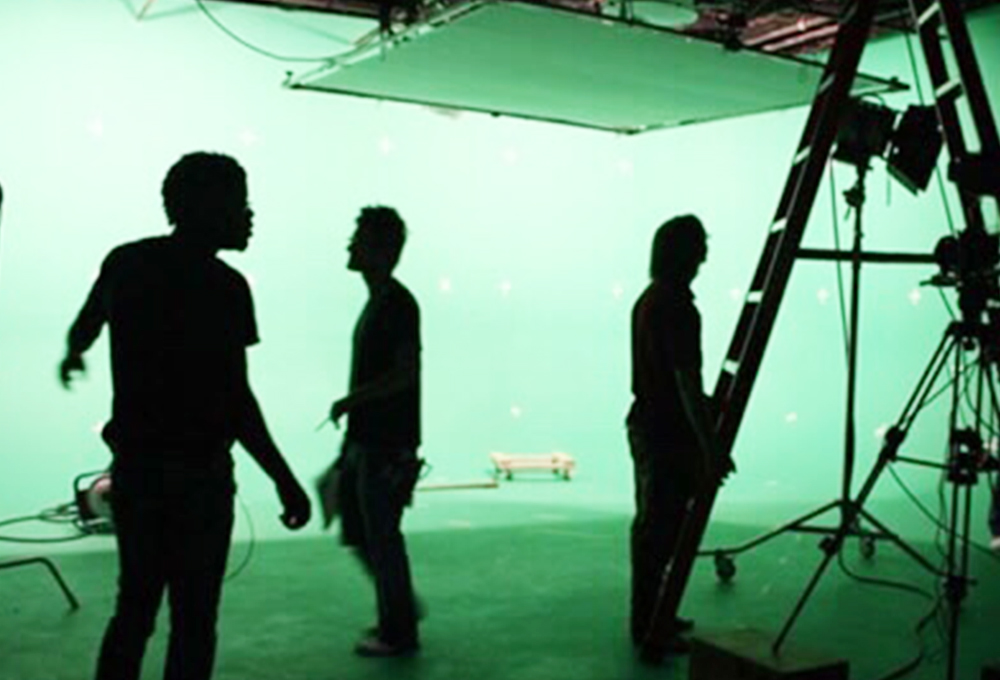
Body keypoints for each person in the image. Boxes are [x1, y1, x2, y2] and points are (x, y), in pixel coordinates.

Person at [59, 152, 312, 680]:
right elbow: (236, 401)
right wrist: (285, 479)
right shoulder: (226, 288)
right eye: (239, 203)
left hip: (138, 473)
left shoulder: (125, 263)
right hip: (200, 480)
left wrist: (74, 353)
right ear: (207, 208)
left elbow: (85, 325)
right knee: (195, 621)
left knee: (133, 611)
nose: (249, 215)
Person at [625, 214, 729, 657]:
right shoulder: (678, 309)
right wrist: (711, 448)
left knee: (654, 527)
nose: (705, 254)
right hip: (665, 433)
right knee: (659, 531)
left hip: (650, 425)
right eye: (700, 246)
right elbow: (685, 381)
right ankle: (652, 626)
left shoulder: (650, 300)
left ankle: (654, 616)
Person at [329, 205, 424, 658]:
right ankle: (399, 610)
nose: (350, 245)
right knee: (366, 532)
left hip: (386, 442)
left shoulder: (397, 305)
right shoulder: (382, 301)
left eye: (359, 239)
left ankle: (399, 629)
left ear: (381, 251)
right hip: (369, 439)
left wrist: (352, 401)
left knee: (381, 536)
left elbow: (405, 373)